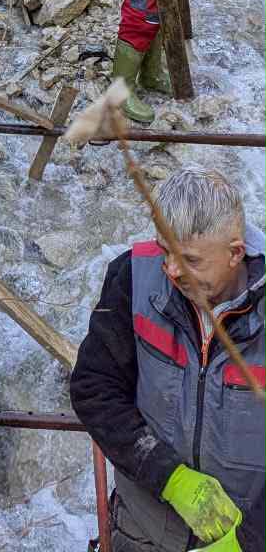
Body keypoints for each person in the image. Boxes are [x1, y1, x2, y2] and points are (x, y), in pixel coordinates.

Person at [72, 168, 266, 552]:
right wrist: (170, 478)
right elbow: (94, 389)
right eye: (165, 250)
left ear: (235, 254)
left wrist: (248, 542)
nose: (172, 270)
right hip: (144, 527)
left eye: (190, 260)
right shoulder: (132, 276)